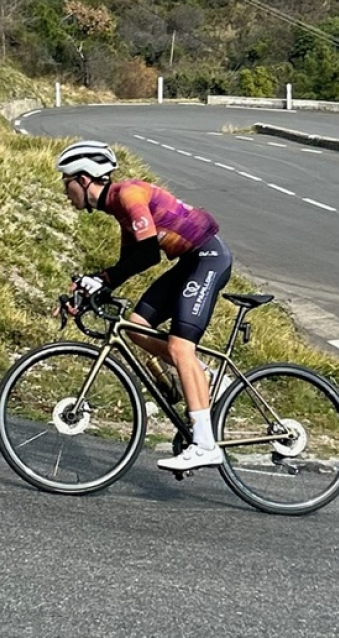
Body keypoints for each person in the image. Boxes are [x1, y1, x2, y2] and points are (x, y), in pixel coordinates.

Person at [56, 139, 233, 471]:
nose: (65, 192)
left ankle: (206, 444)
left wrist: (102, 279)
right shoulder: (117, 208)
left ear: (83, 179)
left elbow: (149, 254)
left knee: (181, 349)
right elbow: (127, 264)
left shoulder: (129, 195)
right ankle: (204, 378)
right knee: (137, 326)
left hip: (208, 258)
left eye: (66, 183)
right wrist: (92, 290)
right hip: (190, 261)